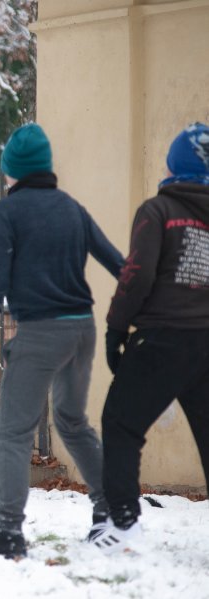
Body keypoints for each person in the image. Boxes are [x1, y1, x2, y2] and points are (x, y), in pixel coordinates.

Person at [0, 123, 125, 559]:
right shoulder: (72, 208)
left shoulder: (8, 212)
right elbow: (119, 265)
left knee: (13, 432)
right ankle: (112, 510)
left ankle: (8, 531)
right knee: (71, 422)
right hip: (82, 330)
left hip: (41, 333)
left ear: (11, 170)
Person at [89, 123, 209, 553]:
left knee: (121, 424)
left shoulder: (159, 210)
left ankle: (123, 526)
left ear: (175, 163)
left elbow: (136, 275)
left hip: (162, 339)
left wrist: (116, 328)